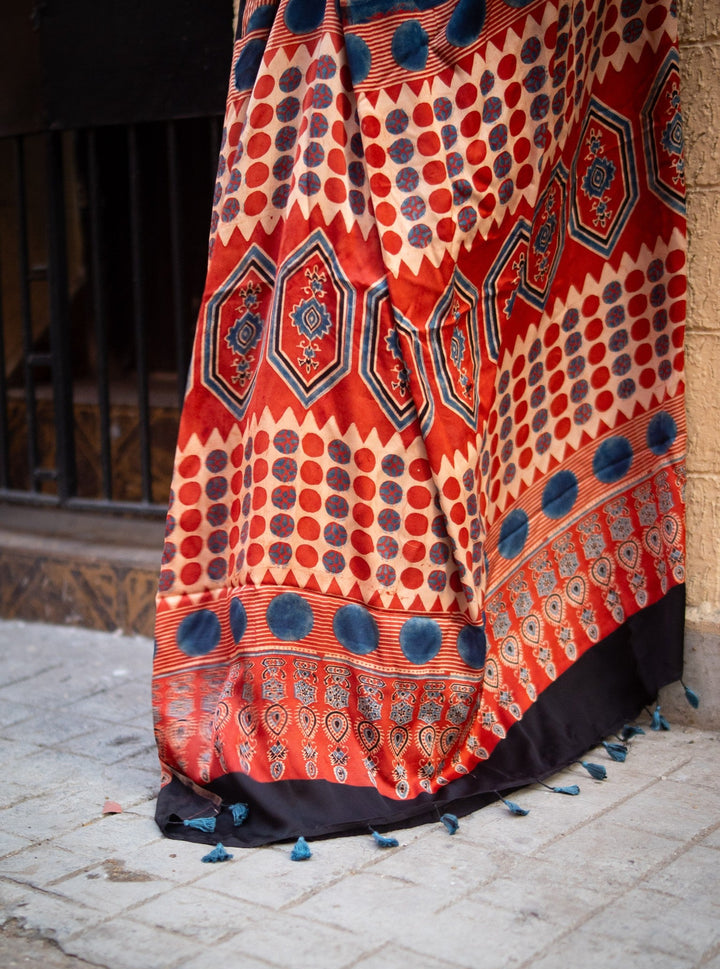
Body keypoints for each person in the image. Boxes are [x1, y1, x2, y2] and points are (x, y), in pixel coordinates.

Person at [152, 0, 688, 846]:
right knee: (332, 326)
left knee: (396, 327)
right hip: (312, 65)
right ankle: (328, 702)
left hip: (433, 60)